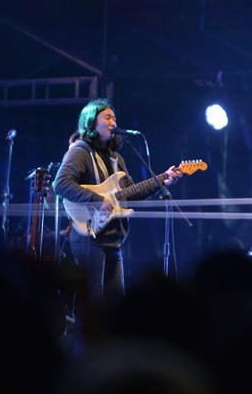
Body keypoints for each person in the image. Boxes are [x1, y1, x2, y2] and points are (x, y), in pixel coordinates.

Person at [53, 98, 182, 356]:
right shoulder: (80, 150)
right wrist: (99, 200)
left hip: (113, 239)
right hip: (89, 235)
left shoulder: (117, 159)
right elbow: (61, 184)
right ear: (92, 122)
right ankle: (84, 362)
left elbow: (130, 194)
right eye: (108, 118)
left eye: (114, 118)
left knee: (115, 303)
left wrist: (162, 181)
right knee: (92, 303)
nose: (114, 122)